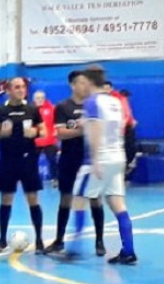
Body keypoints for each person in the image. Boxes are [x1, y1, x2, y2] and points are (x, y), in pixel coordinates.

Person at [59, 67, 137, 265]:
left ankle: (74, 249)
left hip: (99, 158)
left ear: (89, 81)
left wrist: (94, 159)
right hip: (117, 156)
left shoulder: (93, 102)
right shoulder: (115, 101)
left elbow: (96, 129)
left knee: (78, 200)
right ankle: (128, 250)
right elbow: (119, 126)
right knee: (117, 204)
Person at [43, 71, 106, 256]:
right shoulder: (63, 107)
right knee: (66, 198)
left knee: (95, 198)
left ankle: (99, 241)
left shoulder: (93, 105)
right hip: (69, 159)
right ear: (73, 85)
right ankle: (59, 240)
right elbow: (61, 133)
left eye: (87, 83)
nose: (85, 86)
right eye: (81, 83)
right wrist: (83, 128)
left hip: (89, 159)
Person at [0, 77, 46, 252]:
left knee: (33, 199)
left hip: (28, 159)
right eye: (17, 87)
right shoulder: (0, 111)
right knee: (6, 199)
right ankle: (2, 239)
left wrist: (35, 132)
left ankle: (39, 240)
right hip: (8, 160)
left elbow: (44, 131)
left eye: (23, 87)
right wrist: (2, 132)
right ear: (8, 90)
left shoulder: (32, 110)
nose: (21, 90)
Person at [33, 90, 58, 185]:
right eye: (38, 98)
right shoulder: (30, 110)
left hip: (49, 140)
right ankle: (32, 179)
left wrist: (56, 131)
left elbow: (57, 121)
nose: (40, 100)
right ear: (34, 99)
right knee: (32, 161)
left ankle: (55, 179)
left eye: (42, 98)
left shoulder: (52, 108)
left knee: (52, 160)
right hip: (35, 141)